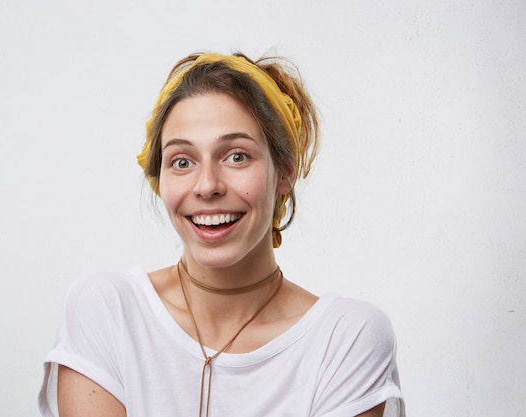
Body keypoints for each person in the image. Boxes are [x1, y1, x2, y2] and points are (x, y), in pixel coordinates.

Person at [38, 51, 405, 417]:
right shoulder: (107, 308)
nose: (207, 185)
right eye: (182, 161)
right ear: (159, 179)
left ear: (285, 173)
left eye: (237, 157)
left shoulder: (346, 339)